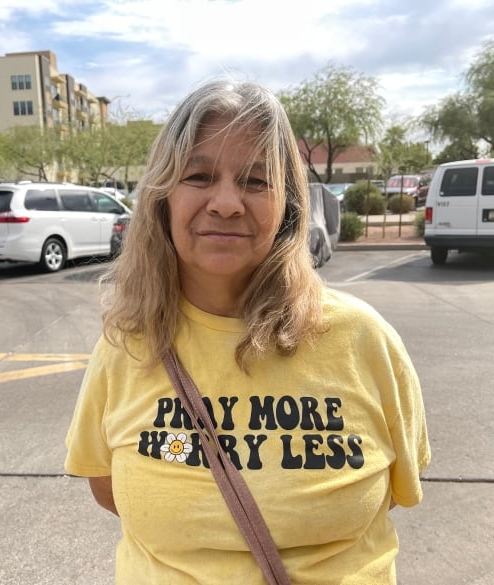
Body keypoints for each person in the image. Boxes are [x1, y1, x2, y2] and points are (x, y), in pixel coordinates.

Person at [65, 78, 430, 584]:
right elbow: (109, 488)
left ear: (288, 206)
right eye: (199, 176)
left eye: (256, 181)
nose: (227, 202)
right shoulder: (127, 346)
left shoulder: (365, 340)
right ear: (162, 197)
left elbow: (390, 492)